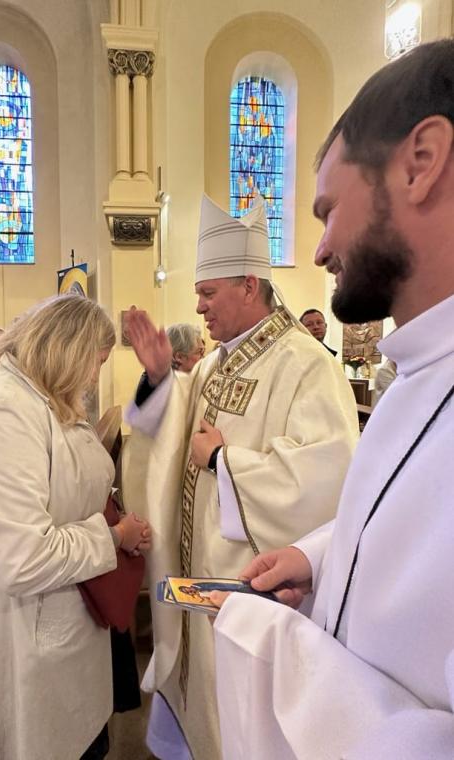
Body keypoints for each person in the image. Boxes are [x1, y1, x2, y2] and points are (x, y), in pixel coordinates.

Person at [212, 39, 454, 760]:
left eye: (328, 210)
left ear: (421, 162)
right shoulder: (422, 365)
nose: (319, 250)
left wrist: (271, 643)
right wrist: (320, 556)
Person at [123, 193, 359, 759]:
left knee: (243, 718)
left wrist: (223, 463)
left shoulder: (307, 363)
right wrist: (159, 378)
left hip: (250, 580)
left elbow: (327, 473)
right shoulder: (214, 362)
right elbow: (173, 427)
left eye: (208, 293)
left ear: (249, 286)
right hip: (198, 571)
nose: (199, 307)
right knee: (202, 698)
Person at [0, 294, 151, 760]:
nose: (94, 377)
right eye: (96, 362)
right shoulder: (3, 410)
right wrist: (114, 537)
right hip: (30, 629)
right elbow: (22, 560)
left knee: (83, 737)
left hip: (72, 610)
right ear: (68, 350)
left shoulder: (43, 398)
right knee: (50, 743)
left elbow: (69, 487)